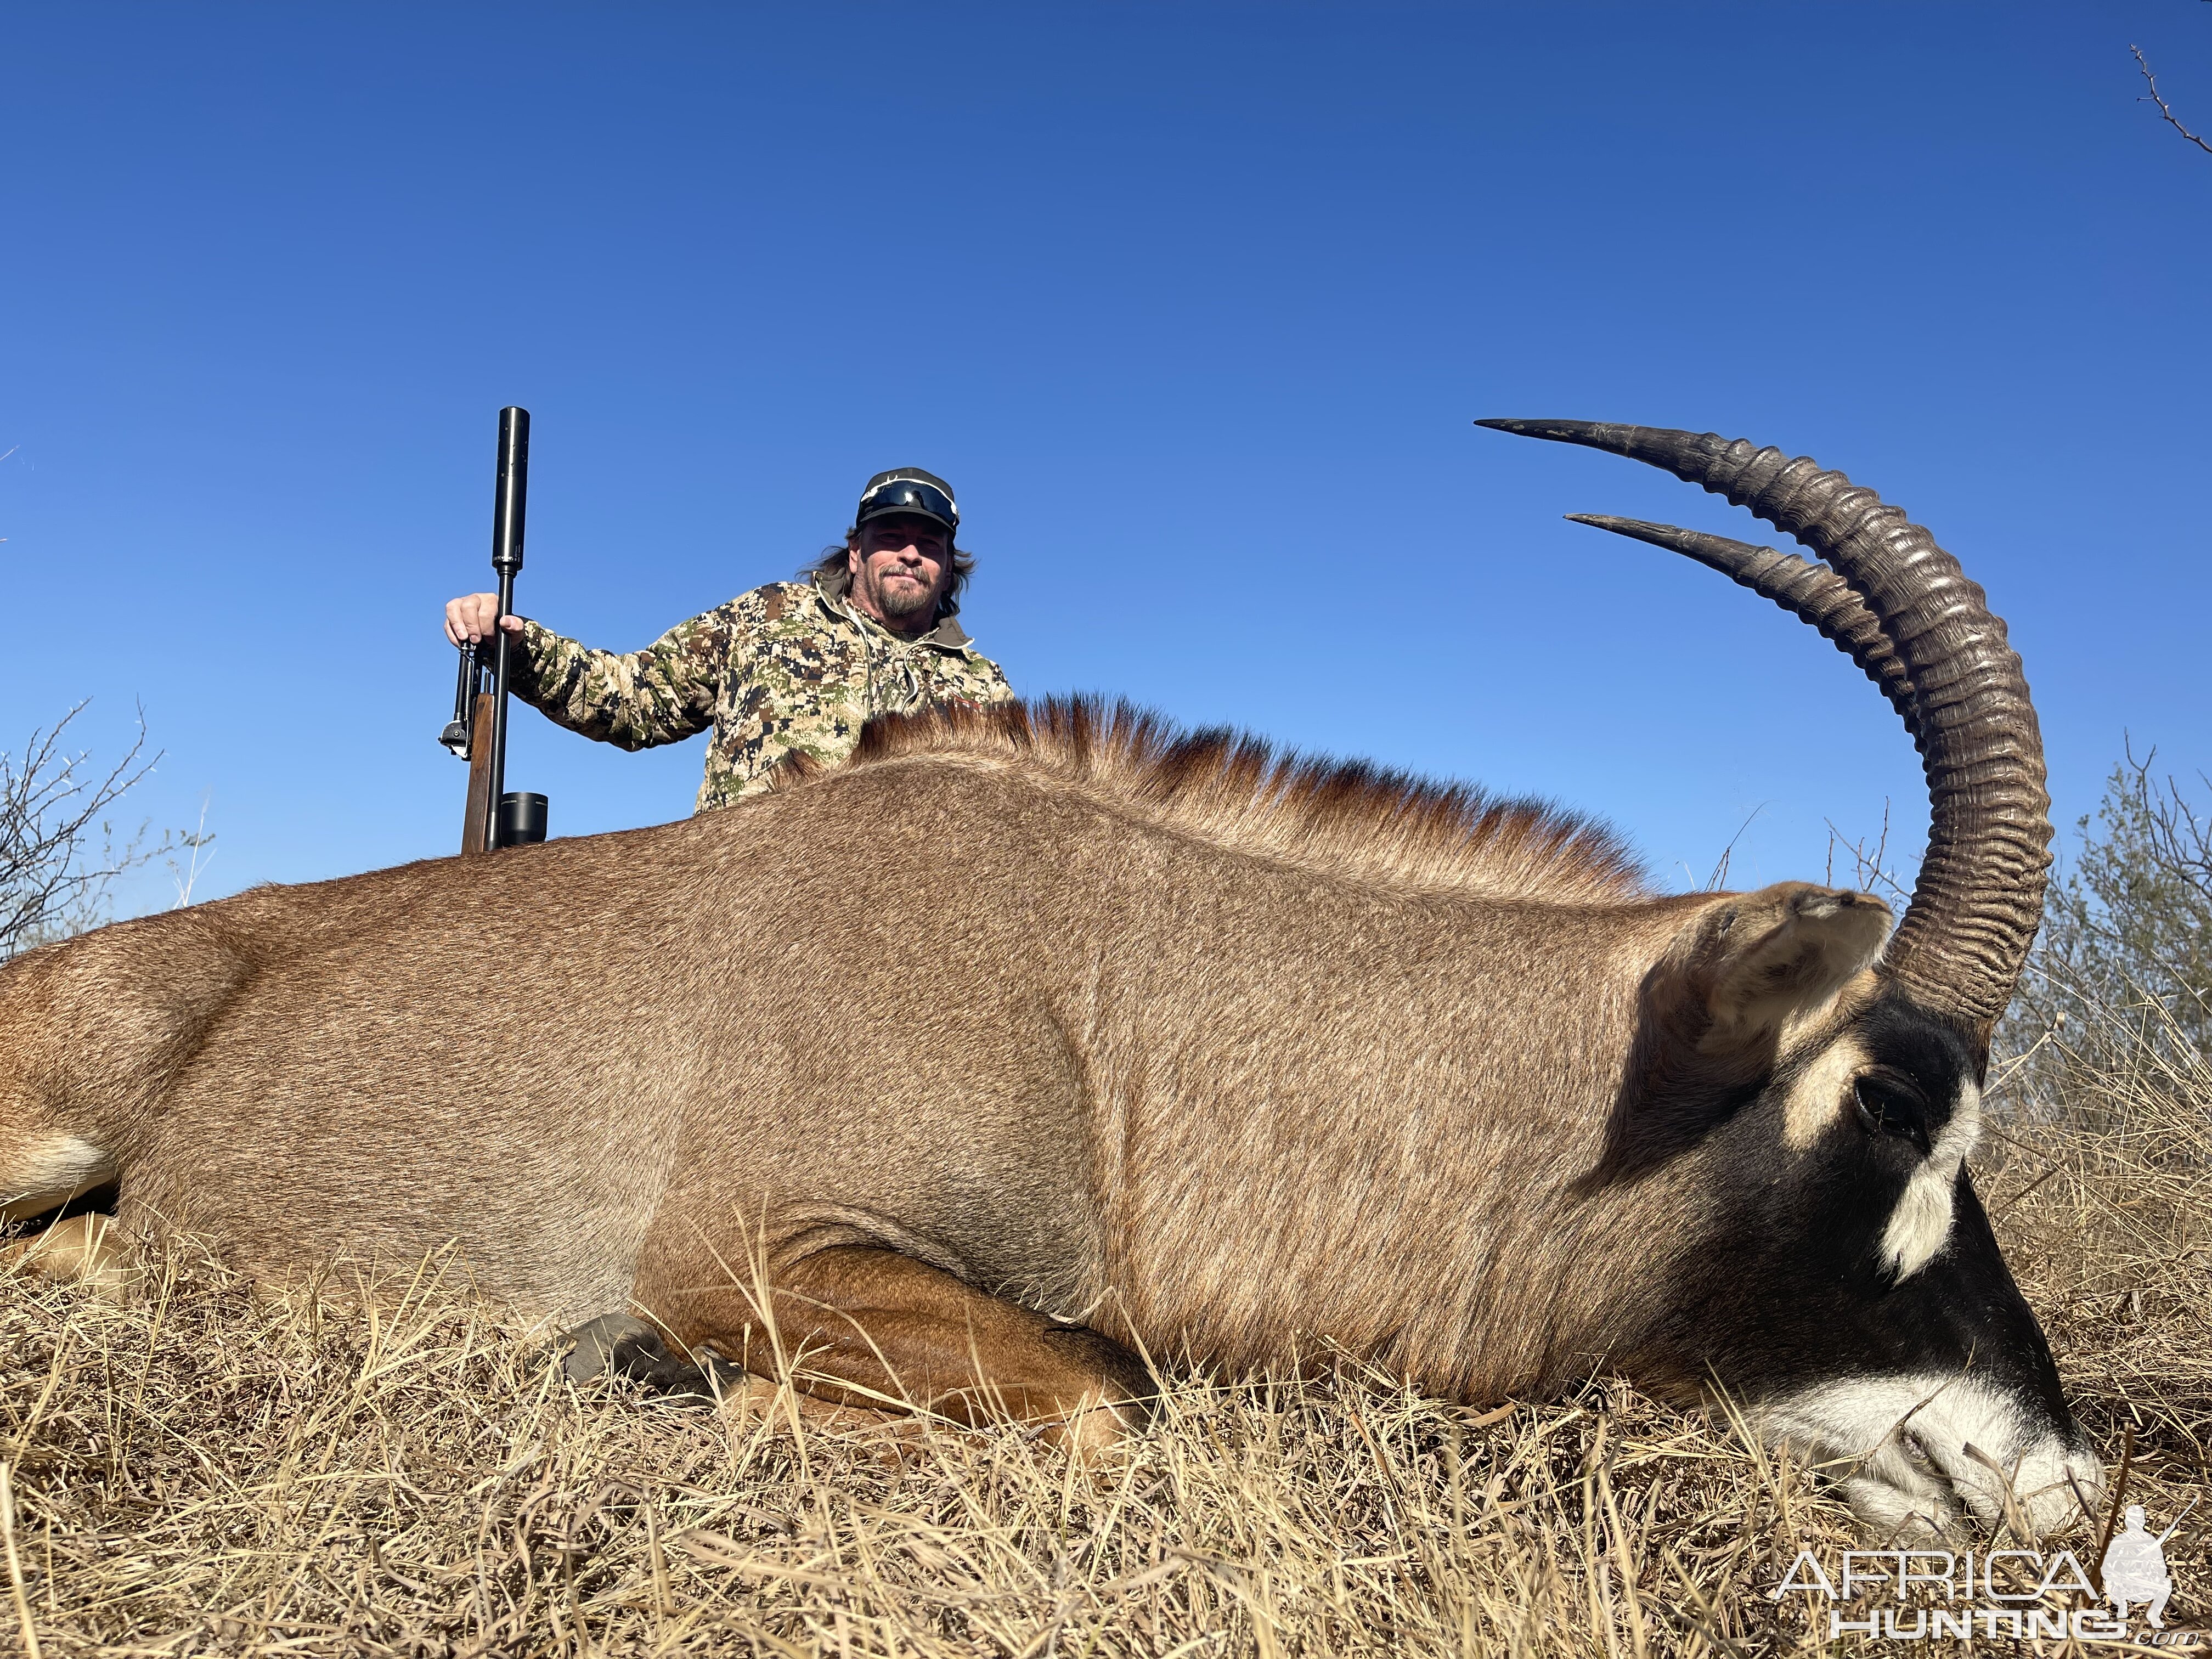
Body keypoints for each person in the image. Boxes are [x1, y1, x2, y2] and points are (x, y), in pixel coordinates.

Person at [443, 467, 1014, 812]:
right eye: (892, 535)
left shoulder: (986, 686)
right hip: (742, 919)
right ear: (858, 551)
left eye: (929, 543)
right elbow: (635, 698)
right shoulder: (766, 616)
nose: (911, 553)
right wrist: (520, 648)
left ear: (946, 564)